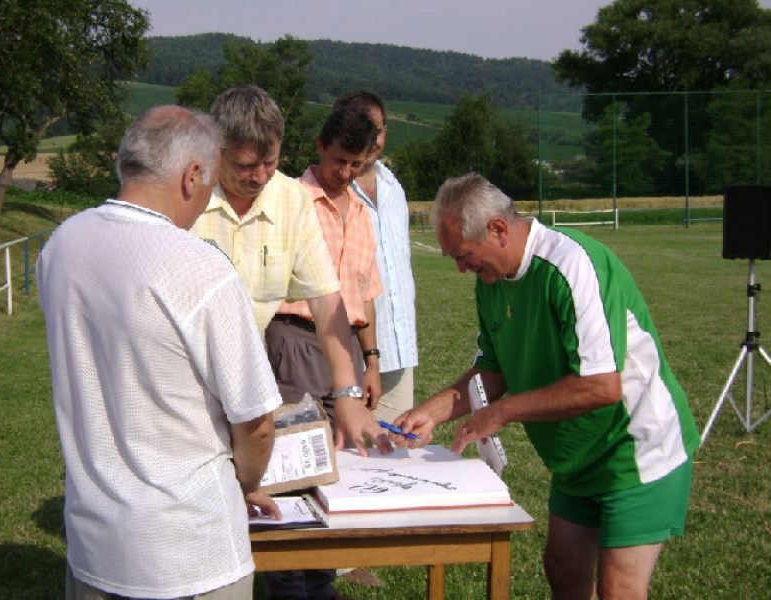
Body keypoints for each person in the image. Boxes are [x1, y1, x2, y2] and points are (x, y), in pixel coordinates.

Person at [394, 173, 701, 600]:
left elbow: (601, 387)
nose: (462, 268)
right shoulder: (491, 282)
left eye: (464, 255)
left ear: (498, 229)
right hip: (575, 459)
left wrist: (500, 412)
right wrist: (433, 410)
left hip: (634, 447)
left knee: (619, 589)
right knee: (563, 571)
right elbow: (494, 369)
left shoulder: (571, 264)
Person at [37, 105, 283, 600]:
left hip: (95, 546)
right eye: (211, 183)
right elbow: (255, 422)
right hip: (191, 553)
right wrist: (247, 481)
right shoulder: (200, 268)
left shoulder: (61, 245)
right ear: (192, 176)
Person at [190, 85, 390, 456]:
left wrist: (347, 393)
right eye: (246, 166)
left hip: (248, 381)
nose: (260, 176)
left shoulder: (292, 200)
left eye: (270, 163)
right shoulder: (187, 195)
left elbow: (328, 300)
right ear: (215, 150)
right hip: (184, 381)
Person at [263, 105, 382, 600]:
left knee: (333, 469)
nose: (346, 173)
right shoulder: (289, 199)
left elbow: (364, 292)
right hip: (293, 338)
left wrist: (370, 360)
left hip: (345, 353)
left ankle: (321, 581)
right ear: (318, 146)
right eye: (339, 160)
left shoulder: (361, 211)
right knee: (289, 467)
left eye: (356, 164)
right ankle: (286, 583)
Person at [333, 90, 418, 424]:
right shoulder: (329, 192)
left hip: (400, 351)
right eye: (363, 128)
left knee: (393, 457)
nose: (372, 138)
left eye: (378, 129)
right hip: (352, 357)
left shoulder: (393, 187)